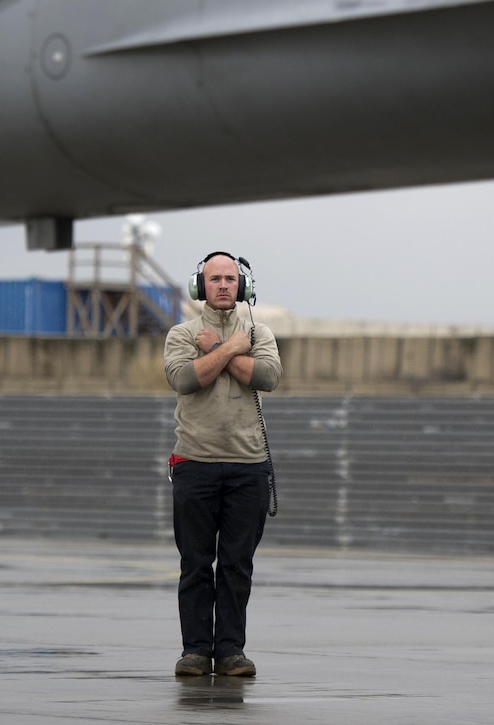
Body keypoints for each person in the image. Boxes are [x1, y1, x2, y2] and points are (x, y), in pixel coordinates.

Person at [163, 251, 283, 677]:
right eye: (214, 279)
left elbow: (268, 377)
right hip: (195, 463)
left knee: (236, 565)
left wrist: (223, 349)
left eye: (231, 278)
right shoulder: (182, 333)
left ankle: (231, 651)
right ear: (200, 286)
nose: (223, 286)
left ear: (243, 285)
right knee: (195, 564)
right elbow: (184, 379)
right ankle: (195, 651)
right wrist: (233, 350)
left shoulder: (260, 332)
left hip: (249, 466)